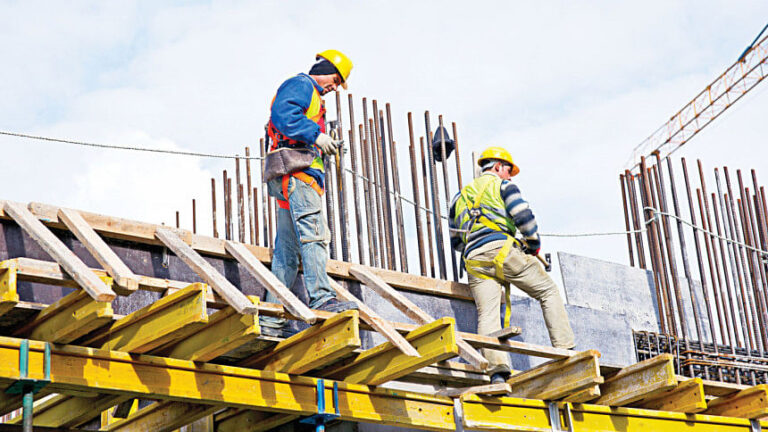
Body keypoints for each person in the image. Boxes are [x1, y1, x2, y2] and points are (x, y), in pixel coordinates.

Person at [448, 146, 575, 382]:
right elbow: (523, 217)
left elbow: (455, 240)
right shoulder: (503, 186)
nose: (509, 176)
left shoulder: (459, 197)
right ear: (497, 167)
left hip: (474, 260)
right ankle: (566, 351)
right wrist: (533, 244)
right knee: (547, 291)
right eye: (508, 171)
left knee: (487, 314)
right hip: (503, 251)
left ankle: (497, 372)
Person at [260, 50, 358, 337]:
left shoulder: (313, 97)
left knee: (287, 254)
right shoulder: (302, 85)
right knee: (315, 235)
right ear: (325, 69)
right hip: (298, 176)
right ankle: (322, 298)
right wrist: (316, 135)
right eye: (336, 80)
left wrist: (322, 141)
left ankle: (271, 319)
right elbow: (283, 115)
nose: (335, 87)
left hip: (290, 177)